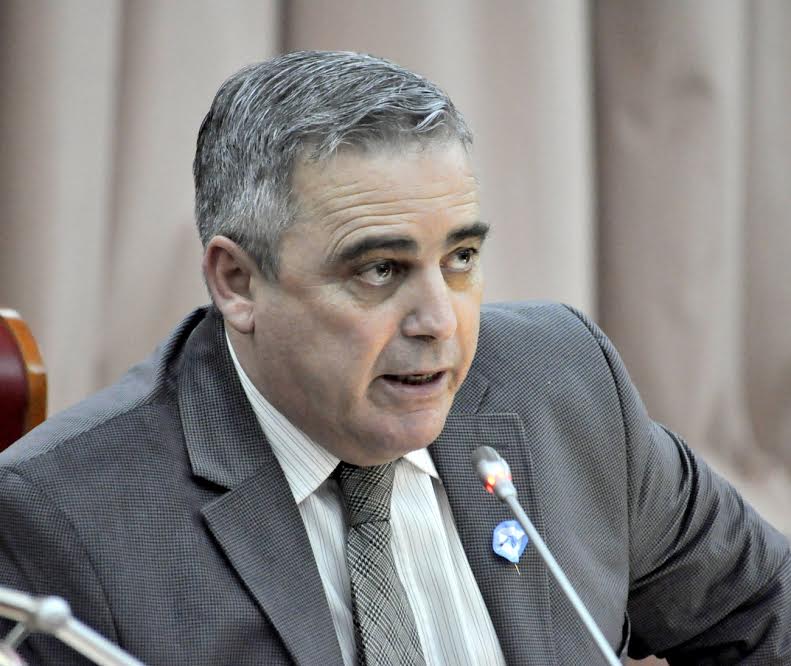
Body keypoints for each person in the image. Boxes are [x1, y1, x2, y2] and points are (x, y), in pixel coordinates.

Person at [0, 50, 788, 666]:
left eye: (461, 259)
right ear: (237, 282)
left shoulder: (563, 384)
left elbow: (764, 613)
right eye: (379, 270)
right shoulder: (67, 516)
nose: (439, 322)